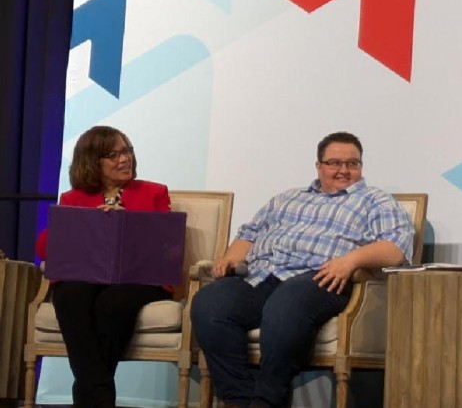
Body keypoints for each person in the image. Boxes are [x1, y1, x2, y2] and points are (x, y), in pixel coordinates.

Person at [190, 131, 413, 408]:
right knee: (210, 303)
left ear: (360, 167)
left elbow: (396, 249)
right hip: (262, 276)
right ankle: (239, 400)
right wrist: (231, 257)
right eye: (334, 163)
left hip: (320, 278)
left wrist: (351, 260)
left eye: (352, 164)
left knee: (286, 305)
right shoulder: (286, 198)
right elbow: (250, 232)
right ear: (319, 166)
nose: (343, 170)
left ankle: (269, 400)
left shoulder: (375, 201)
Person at [34, 126, 174, 408]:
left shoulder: (154, 192)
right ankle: (100, 396)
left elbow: (169, 245)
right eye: (114, 154)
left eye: (127, 151)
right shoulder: (73, 199)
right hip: (87, 276)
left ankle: (90, 396)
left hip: (139, 279)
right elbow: (44, 248)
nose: (125, 159)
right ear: (92, 161)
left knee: (112, 304)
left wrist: (130, 225)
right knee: (69, 294)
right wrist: (87, 224)